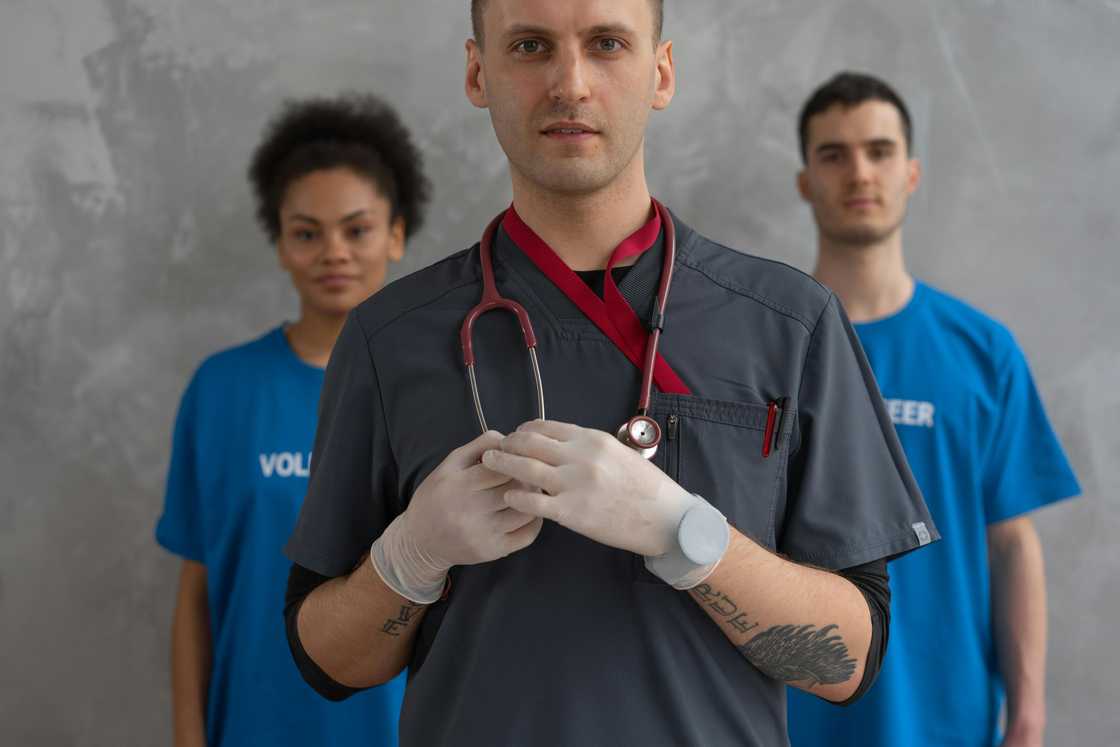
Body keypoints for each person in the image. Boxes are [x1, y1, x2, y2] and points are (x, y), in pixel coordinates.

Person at [283, 4, 938, 745]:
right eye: (530, 47)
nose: (570, 83)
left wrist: (689, 537)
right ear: (477, 72)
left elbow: (847, 660)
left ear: (660, 71)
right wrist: (411, 556)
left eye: (606, 44)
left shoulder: (790, 324)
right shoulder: (390, 337)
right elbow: (328, 660)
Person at [786, 72, 1081, 747]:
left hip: (947, 719)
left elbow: (1010, 543)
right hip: (790, 719)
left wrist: (1029, 717)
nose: (859, 171)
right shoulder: (764, 347)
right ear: (805, 180)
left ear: (911, 172)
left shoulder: (981, 351)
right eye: (833, 154)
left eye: (880, 150)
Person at [155, 93, 430, 746]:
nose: (333, 251)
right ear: (279, 243)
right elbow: (196, 594)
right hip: (253, 724)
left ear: (395, 232)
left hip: (401, 728)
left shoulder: (439, 390)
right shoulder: (222, 388)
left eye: (356, 229)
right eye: (307, 232)